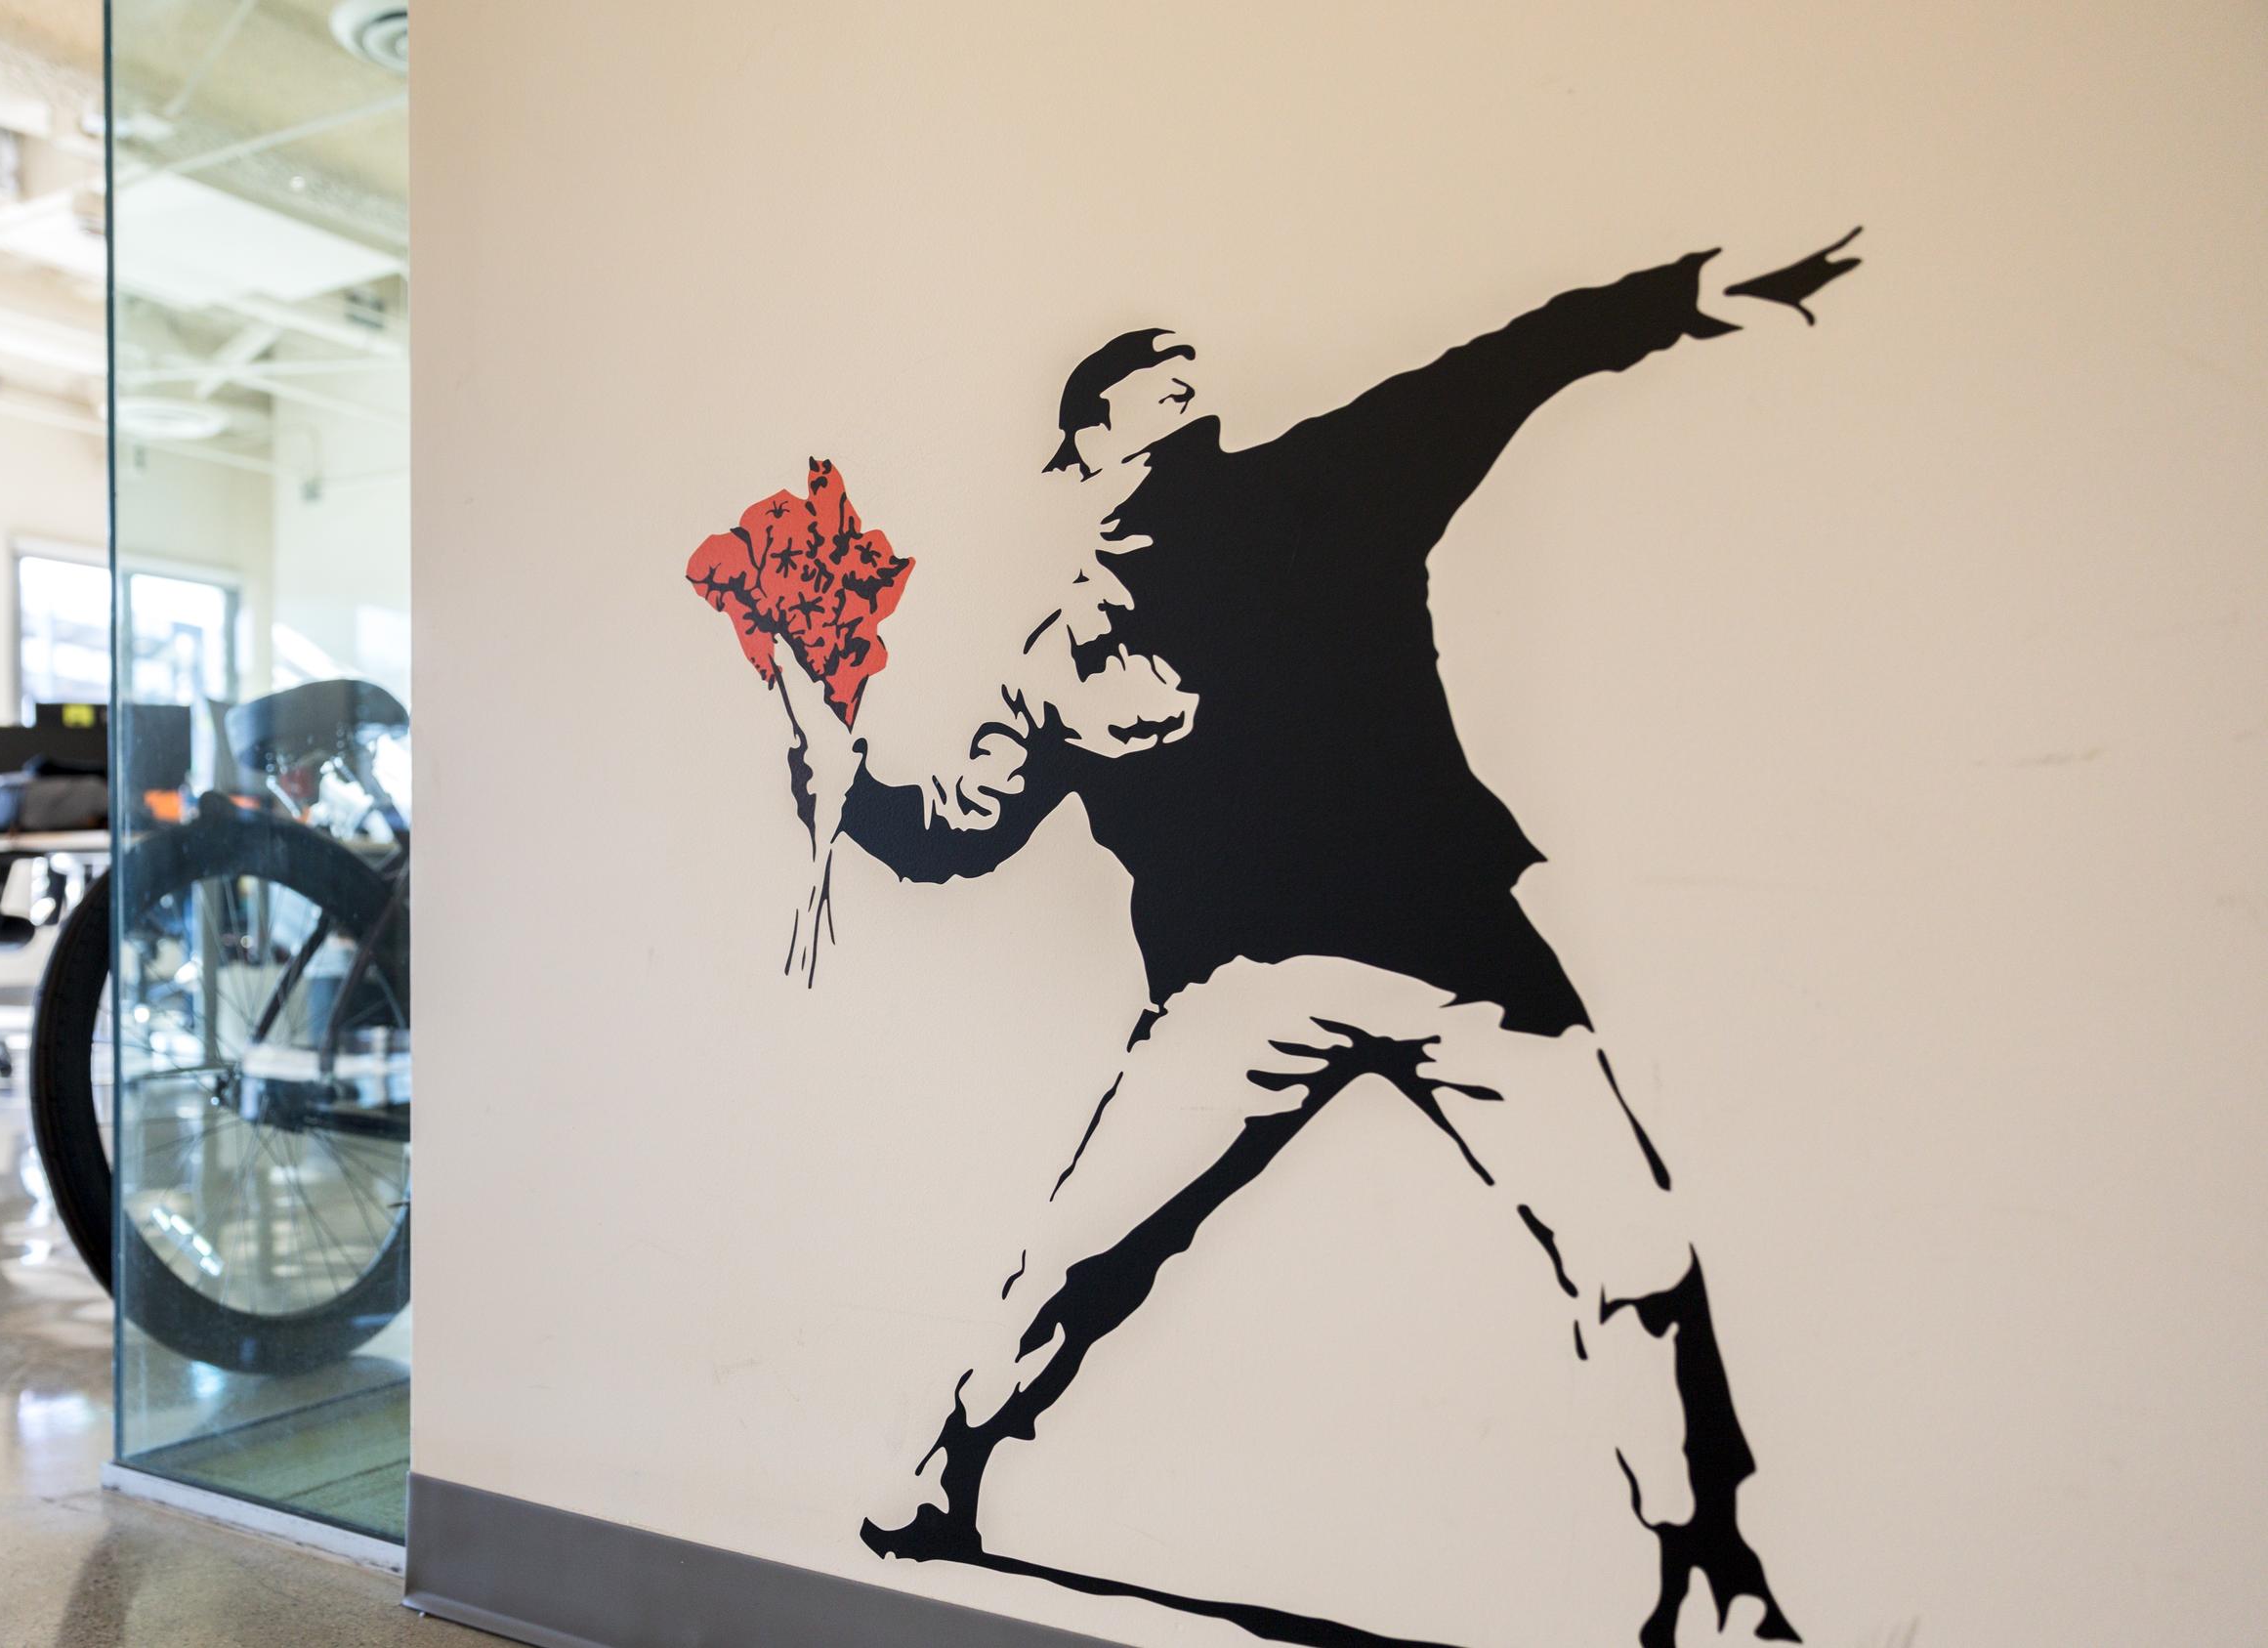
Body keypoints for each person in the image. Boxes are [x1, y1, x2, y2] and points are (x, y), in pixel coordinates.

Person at [774, 233, 1861, 1647]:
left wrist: (1673, 303)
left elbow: (1498, 370)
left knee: (1630, 1241)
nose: (1181, 395)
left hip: (1458, 954)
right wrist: (847, 794)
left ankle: (1710, 1576)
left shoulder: (1327, 489)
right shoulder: (1059, 652)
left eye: (1188, 388)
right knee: (1081, 1262)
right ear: (1085, 455)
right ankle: (944, 1469)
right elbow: (959, 832)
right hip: (1238, 991)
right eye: (1145, 394)